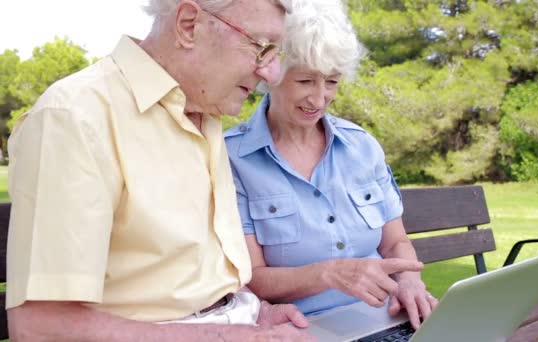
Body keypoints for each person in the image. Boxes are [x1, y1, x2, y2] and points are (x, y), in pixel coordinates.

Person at [6, 0, 318, 340]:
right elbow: (42, 326)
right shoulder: (74, 117)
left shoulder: (204, 110)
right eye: (260, 47)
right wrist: (232, 336)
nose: (271, 74)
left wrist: (254, 313)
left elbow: (187, 287)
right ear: (188, 25)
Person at [224, 0, 437, 330]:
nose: (319, 98)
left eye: (332, 82)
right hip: (303, 328)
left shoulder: (361, 145)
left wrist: (410, 282)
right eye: (306, 81)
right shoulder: (233, 158)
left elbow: (395, 242)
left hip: (386, 317)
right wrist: (330, 273)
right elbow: (253, 279)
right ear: (272, 72)